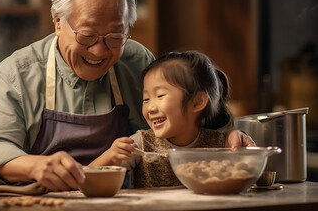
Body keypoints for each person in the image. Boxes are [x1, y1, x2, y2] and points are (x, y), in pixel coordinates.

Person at [0, 0, 254, 192]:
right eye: (87, 35)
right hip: (44, 201)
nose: (99, 51)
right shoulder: (17, 72)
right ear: (58, 22)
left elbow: (177, 122)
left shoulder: (136, 61)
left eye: (115, 37)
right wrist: (36, 166)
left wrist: (224, 138)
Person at [89, 51, 256, 188]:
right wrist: (111, 155)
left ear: (197, 102)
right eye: (146, 99)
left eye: (160, 95)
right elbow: (86, 180)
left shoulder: (218, 146)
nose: (151, 108)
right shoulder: (140, 144)